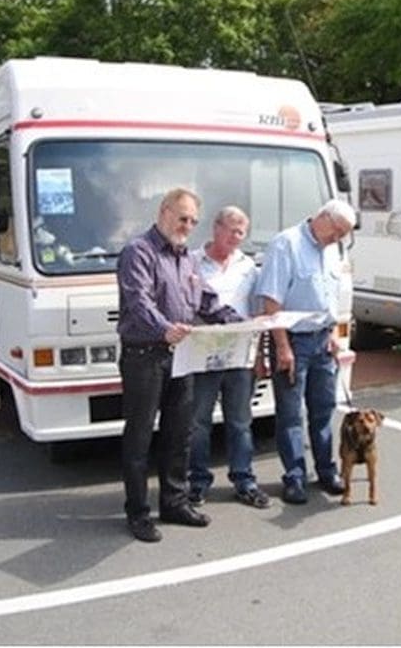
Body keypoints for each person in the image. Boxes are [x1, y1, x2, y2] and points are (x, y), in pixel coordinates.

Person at [116, 188, 242, 543]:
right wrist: (164, 329)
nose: (187, 226)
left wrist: (238, 322)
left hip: (182, 356)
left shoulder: (186, 258)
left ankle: (174, 502)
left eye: (192, 221)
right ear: (164, 211)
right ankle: (138, 513)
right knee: (139, 437)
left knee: (179, 435)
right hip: (144, 356)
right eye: (182, 217)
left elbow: (206, 300)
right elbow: (138, 301)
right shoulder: (138, 252)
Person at [255, 199, 357, 504]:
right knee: (290, 414)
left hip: (323, 340)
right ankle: (295, 477)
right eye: (336, 231)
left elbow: (330, 296)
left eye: (343, 235)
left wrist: (333, 333)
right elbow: (272, 302)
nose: (338, 239)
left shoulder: (332, 248)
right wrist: (282, 346)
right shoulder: (286, 244)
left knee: (324, 409)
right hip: (293, 341)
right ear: (322, 218)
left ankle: (327, 471)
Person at [187, 206, 270, 509]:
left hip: (239, 358)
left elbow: (257, 312)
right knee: (198, 423)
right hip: (202, 356)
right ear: (215, 228)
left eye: (241, 232)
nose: (235, 237)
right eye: (231, 230)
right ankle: (196, 483)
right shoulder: (192, 262)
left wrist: (261, 355)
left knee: (240, 422)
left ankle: (244, 481)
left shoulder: (248, 267)